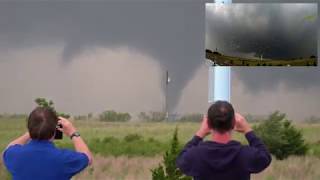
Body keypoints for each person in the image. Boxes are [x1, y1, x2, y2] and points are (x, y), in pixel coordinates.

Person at [176, 101, 271, 180]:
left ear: (208, 123)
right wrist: (248, 130)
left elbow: (181, 159)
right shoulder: (245, 155)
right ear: (234, 123)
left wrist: (200, 133)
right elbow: (265, 157)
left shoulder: (197, 155)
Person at [2, 107, 93, 180]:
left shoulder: (15, 155)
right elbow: (87, 158)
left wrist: (32, 131)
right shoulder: (63, 159)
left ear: (29, 127)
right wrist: (73, 132)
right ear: (55, 131)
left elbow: (7, 149)